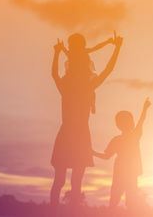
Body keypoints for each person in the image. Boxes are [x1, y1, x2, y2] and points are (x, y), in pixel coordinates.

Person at [50, 32, 123, 215]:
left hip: (68, 134)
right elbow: (108, 70)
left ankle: (53, 213)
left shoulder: (66, 84)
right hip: (79, 135)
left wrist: (57, 53)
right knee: (75, 183)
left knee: (60, 181)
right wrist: (118, 49)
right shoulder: (87, 85)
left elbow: (54, 74)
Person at [93, 98, 151, 208]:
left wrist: (92, 152)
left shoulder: (118, 139)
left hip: (122, 172)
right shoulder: (134, 136)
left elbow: (106, 156)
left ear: (118, 124)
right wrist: (145, 108)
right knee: (128, 200)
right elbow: (142, 120)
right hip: (128, 173)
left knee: (116, 200)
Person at [61, 34, 115, 113]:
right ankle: (91, 103)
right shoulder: (72, 53)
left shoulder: (79, 52)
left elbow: (96, 47)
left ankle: (92, 104)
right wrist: (62, 48)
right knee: (90, 88)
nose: (69, 46)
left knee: (90, 89)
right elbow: (96, 48)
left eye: (70, 44)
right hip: (75, 75)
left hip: (83, 74)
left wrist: (107, 42)